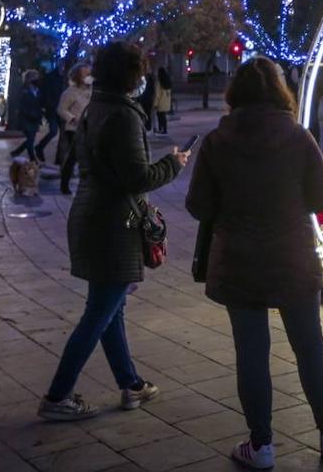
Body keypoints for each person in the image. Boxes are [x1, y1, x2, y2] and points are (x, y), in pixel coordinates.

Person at [185, 57, 323, 469]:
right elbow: (319, 200)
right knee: (310, 346)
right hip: (291, 258)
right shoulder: (297, 137)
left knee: (252, 353)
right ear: (280, 92)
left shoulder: (216, 142)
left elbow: (197, 205)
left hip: (239, 261)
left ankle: (261, 445)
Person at [38, 42, 188, 421]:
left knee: (110, 308)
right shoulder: (123, 115)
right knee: (99, 312)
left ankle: (131, 384)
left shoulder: (96, 107)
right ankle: (57, 397)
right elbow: (137, 177)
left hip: (92, 215)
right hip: (112, 224)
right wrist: (173, 163)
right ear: (131, 75)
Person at [55, 64, 92, 195]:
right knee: (73, 157)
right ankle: (64, 184)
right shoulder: (70, 92)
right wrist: (72, 118)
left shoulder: (92, 91)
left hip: (90, 128)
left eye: (89, 74)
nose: (88, 77)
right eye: (85, 74)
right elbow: (61, 109)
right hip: (74, 129)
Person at [10, 71, 45, 162]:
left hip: (35, 118)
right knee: (30, 139)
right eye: (34, 77)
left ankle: (16, 152)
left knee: (31, 139)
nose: (37, 79)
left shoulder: (38, 90)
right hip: (26, 118)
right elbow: (19, 103)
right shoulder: (23, 90)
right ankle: (33, 159)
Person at [38, 65, 66, 162]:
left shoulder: (63, 78)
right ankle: (40, 147)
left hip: (58, 108)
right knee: (54, 131)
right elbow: (46, 93)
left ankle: (58, 158)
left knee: (61, 133)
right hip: (52, 109)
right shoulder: (50, 78)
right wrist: (49, 105)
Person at [153, 67, 172, 134]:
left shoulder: (159, 82)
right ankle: (164, 129)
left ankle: (161, 129)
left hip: (160, 103)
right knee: (164, 117)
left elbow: (157, 94)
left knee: (160, 117)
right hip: (166, 103)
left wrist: (155, 104)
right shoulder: (168, 81)